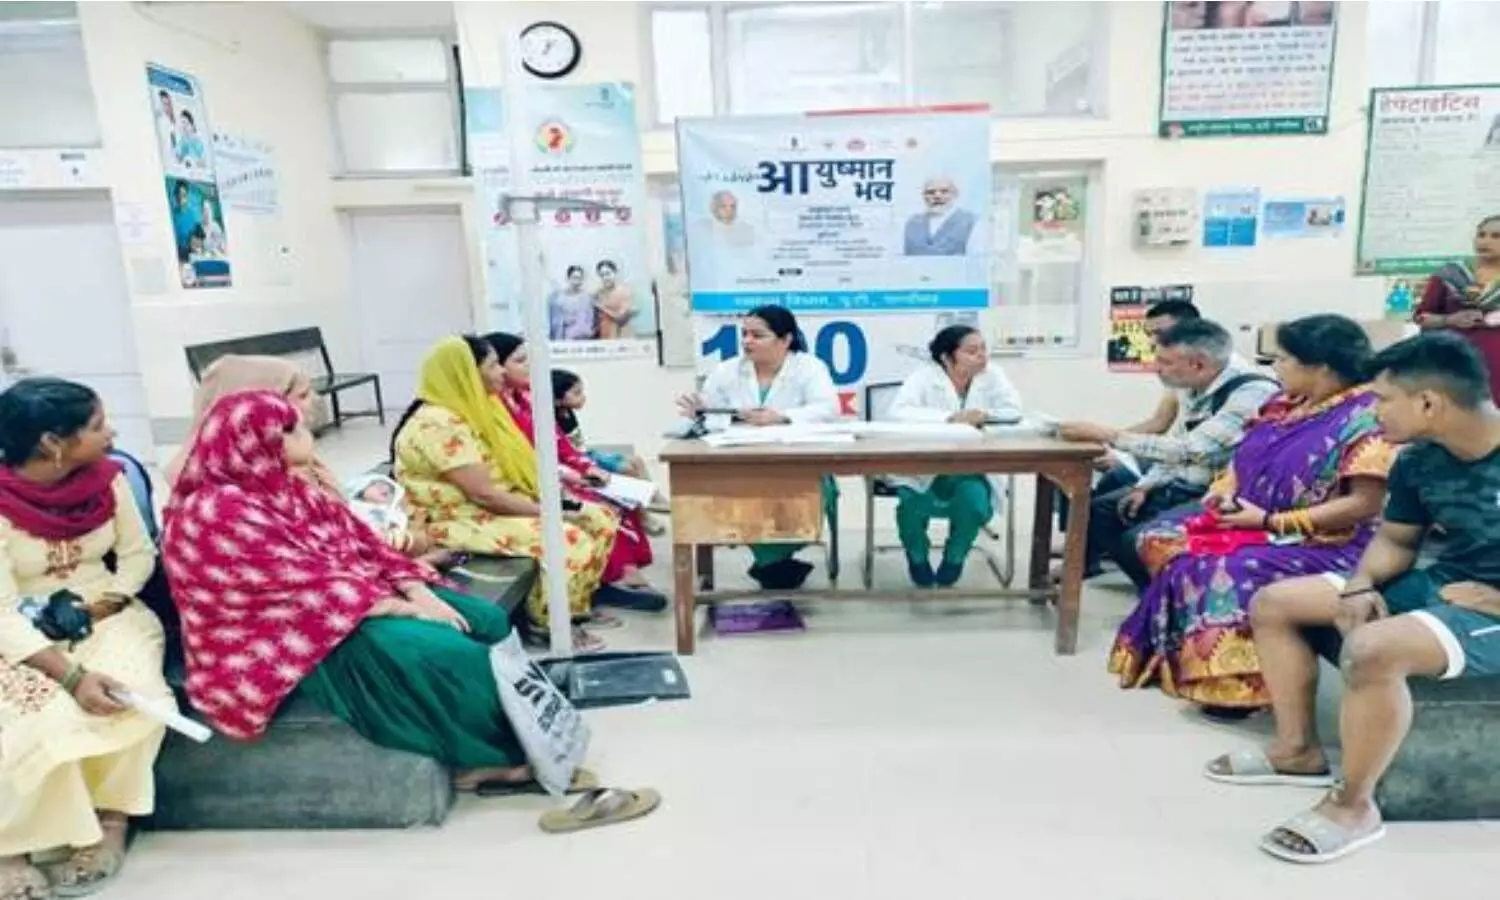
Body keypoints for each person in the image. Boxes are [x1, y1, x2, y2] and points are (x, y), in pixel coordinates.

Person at [162, 390, 599, 797]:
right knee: (445, 651)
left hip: (345, 597)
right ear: (258, 442)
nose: (306, 432)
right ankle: (485, 758)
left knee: (487, 620)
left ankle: (524, 731)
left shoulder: (289, 488)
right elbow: (295, 585)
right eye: (292, 429)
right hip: (284, 630)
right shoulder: (215, 511)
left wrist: (418, 592)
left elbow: (364, 545)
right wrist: (405, 609)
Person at [1206, 333, 1500, 864]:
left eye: (1382, 400)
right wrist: (1362, 584)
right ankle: (1297, 750)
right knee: (1274, 604)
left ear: (1428, 403)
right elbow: (1398, 540)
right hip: (1450, 581)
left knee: (1372, 649)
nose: (1372, 413)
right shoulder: (1417, 461)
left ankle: (1354, 806)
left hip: (1491, 606)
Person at [1108, 315, 1393, 715]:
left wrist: (1271, 522)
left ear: (1321, 367)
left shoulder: (1366, 417)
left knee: (1219, 565)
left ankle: (1240, 687)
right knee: (1159, 539)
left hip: (1329, 539)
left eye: (1283, 359)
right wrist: (1224, 492)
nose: (1275, 368)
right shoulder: (1285, 405)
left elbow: (1364, 504)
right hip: (1255, 517)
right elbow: (1240, 459)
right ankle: (1192, 665)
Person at [0, 378, 172, 898]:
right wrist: (70, 675)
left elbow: (139, 555)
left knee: (130, 694)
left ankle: (109, 824)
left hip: (106, 609)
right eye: (97, 426)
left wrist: (104, 604)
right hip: (18, 625)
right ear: (53, 443)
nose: (111, 432)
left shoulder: (108, 479)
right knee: (34, 713)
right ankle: (11, 847)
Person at [391, 337, 617, 651]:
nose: (501, 372)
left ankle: (575, 609)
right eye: (493, 365)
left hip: (493, 508)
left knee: (600, 517)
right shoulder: (438, 424)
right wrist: (548, 511)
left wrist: (553, 501)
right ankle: (549, 624)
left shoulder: (478, 407)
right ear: (468, 373)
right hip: (457, 520)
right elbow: (484, 496)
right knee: (569, 539)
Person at [1058, 318, 1278, 587]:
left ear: (1197, 364)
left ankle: (1167, 595)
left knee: (1136, 540)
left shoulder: (1252, 392)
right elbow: (1179, 441)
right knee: (1101, 511)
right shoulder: (1195, 383)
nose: (1156, 367)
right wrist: (1146, 485)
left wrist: (1110, 435)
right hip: (1185, 478)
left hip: (1218, 492)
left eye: (1164, 362)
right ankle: (1117, 578)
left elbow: (1191, 449)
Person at [481, 333, 662, 605]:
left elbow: (561, 444)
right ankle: (612, 578)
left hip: (554, 473)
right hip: (530, 482)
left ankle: (616, 574)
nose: (528, 365)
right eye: (518, 360)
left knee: (616, 495)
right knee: (600, 507)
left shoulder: (528, 399)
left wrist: (587, 468)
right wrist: (570, 475)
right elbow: (520, 460)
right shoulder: (494, 409)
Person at [676, 304, 840, 590]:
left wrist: (782, 416)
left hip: (799, 463)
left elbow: (828, 409)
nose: (747, 341)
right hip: (744, 464)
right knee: (745, 500)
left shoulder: (808, 367)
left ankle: (772, 563)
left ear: (785, 339)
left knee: (809, 500)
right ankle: (773, 564)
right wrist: (701, 413)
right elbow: (713, 416)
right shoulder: (727, 370)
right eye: (745, 334)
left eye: (757, 335)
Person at [886, 324, 1022, 587]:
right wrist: (949, 418)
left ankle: (956, 554)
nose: (981, 356)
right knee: (911, 506)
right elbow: (899, 412)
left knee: (974, 504)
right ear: (947, 358)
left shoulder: (993, 375)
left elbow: (1014, 410)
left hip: (972, 465)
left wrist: (985, 415)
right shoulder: (924, 378)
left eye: (983, 349)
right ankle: (916, 555)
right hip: (923, 465)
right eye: (971, 351)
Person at [1058, 298, 1206, 531]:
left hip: (1197, 469)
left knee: (1115, 477)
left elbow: (1193, 450)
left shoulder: (1215, 373)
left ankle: (1084, 542)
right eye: (1150, 334)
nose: (1153, 341)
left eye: (1159, 333)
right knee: (1084, 468)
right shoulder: (1179, 372)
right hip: (1176, 458)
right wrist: (1109, 442)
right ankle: (1077, 541)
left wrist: (1114, 443)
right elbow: (1159, 423)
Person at [1413, 214, 1500, 404]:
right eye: (1481, 235)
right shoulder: (1452, 274)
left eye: (1496, 236)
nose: (1485, 241)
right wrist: (1450, 319)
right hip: (1456, 361)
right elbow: (1421, 317)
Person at [902, 176, 975, 256]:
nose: (937, 196)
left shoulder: (970, 221)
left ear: (955, 194)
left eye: (944, 192)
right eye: (931, 192)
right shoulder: (912, 223)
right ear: (924, 196)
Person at [548, 265, 596, 342]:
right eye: (575, 278)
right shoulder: (559, 298)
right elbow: (556, 322)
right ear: (568, 279)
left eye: (580, 278)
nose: (577, 282)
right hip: (565, 339)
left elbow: (590, 320)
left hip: (583, 338)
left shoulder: (586, 298)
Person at [593, 261, 636, 340]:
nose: (605, 278)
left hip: (622, 338)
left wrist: (602, 308)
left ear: (615, 273)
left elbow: (621, 319)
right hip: (605, 338)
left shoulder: (625, 291)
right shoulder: (599, 293)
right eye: (602, 275)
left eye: (608, 274)